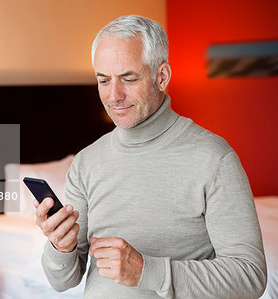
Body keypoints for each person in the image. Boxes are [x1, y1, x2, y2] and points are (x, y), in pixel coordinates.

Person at [33, 15, 267, 298]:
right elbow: (62, 282)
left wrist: (147, 271)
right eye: (103, 80)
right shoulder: (86, 163)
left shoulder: (214, 158)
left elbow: (250, 275)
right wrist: (61, 247)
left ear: (162, 76)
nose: (114, 95)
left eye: (128, 78)